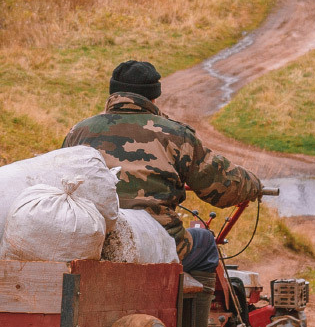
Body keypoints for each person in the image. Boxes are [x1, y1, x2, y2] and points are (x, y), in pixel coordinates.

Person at [61, 59, 263, 279]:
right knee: (205, 242)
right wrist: (254, 185)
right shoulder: (176, 134)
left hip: (90, 241)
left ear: (113, 93)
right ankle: (197, 314)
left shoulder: (79, 132)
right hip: (159, 240)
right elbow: (222, 186)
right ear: (153, 97)